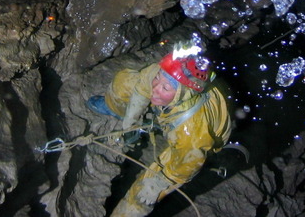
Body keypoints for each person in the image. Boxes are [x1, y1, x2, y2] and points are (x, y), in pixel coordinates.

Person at [86, 43, 232, 217]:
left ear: (182, 94)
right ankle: (115, 108)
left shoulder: (192, 132)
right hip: (175, 111)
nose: (156, 88)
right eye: (159, 79)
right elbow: (143, 86)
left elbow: (186, 166)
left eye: (165, 88)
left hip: (197, 141)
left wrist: (159, 183)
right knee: (123, 81)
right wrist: (130, 121)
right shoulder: (165, 72)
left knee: (143, 194)